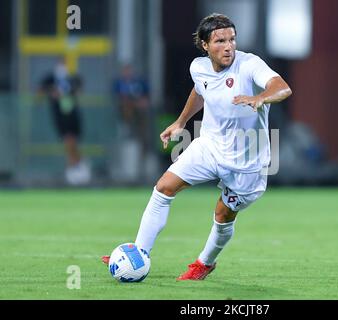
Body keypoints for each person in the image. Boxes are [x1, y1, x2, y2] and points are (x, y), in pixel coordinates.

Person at [102, 13, 292, 280]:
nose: (229, 46)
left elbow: (282, 88)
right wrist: (181, 122)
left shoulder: (250, 65)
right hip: (210, 146)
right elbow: (200, 90)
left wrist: (260, 97)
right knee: (163, 188)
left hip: (248, 162)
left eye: (232, 39)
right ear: (205, 45)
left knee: (223, 214)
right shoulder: (198, 67)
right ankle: (138, 254)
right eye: (220, 41)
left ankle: (205, 263)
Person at [39, 58, 91, 185]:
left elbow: (79, 88)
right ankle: (74, 166)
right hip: (59, 117)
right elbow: (40, 90)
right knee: (68, 142)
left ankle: (75, 167)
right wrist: (52, 92)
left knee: (71, 141)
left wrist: (66, 92)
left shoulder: (72, 79)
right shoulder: (50, 79)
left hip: (72, 116)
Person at [113, 64, 151, 155]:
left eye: (129, 71)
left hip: (138, 111)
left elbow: (146, 96)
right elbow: (118, 98)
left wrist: (140, 102)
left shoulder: (138, 82)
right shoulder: (118, 83)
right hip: (124, 110)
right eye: (125, 71)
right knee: (127, 106)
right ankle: (128, 128)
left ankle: (143, 145)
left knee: (142, 118)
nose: (127, 73)